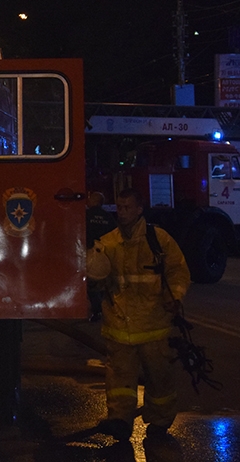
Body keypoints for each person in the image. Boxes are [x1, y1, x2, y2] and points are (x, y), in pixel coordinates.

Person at [89, 188, 191, 441]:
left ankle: (160, 420)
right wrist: (93, 274)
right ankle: (119, 420)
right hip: (118, 326)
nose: (122, 213)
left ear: (139, 209)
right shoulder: (107, 243)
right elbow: (99, 282)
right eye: (119, 207)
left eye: (127, 208)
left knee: (159, 378)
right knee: (119, 379)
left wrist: (176, 296)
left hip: (153, 325)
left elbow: (178, 271)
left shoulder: (158, 240)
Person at [86, 191, 117, 321]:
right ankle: (107, 307)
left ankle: (97, 310)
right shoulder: (108, 216)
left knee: (91, 282)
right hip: (106, 253)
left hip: (89, 253)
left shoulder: (85, 215)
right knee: (104, 282)